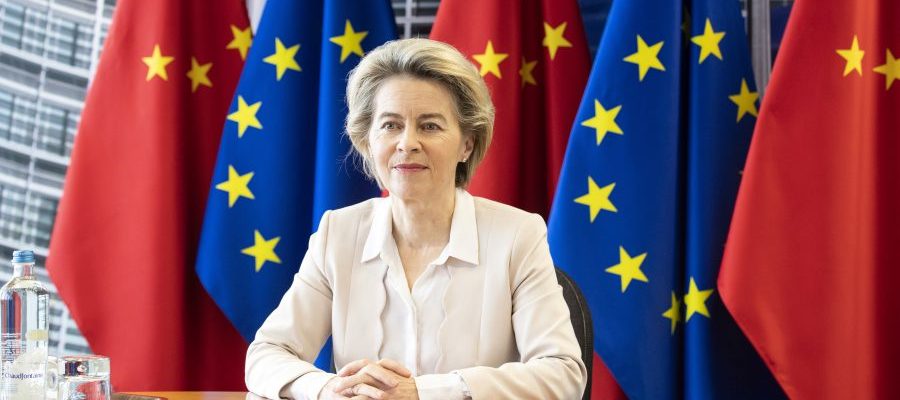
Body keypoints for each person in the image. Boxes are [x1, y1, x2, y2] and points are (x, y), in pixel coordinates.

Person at [245, 38, 586, 400]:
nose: (407, 143)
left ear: (466, 144)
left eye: (430, 126)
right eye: (390, 125)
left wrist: (424, 392)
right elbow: (266, 355)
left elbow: (562, 374)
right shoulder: (338, 233)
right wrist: (329, 388)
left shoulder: (517, 235)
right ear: (367, 140)